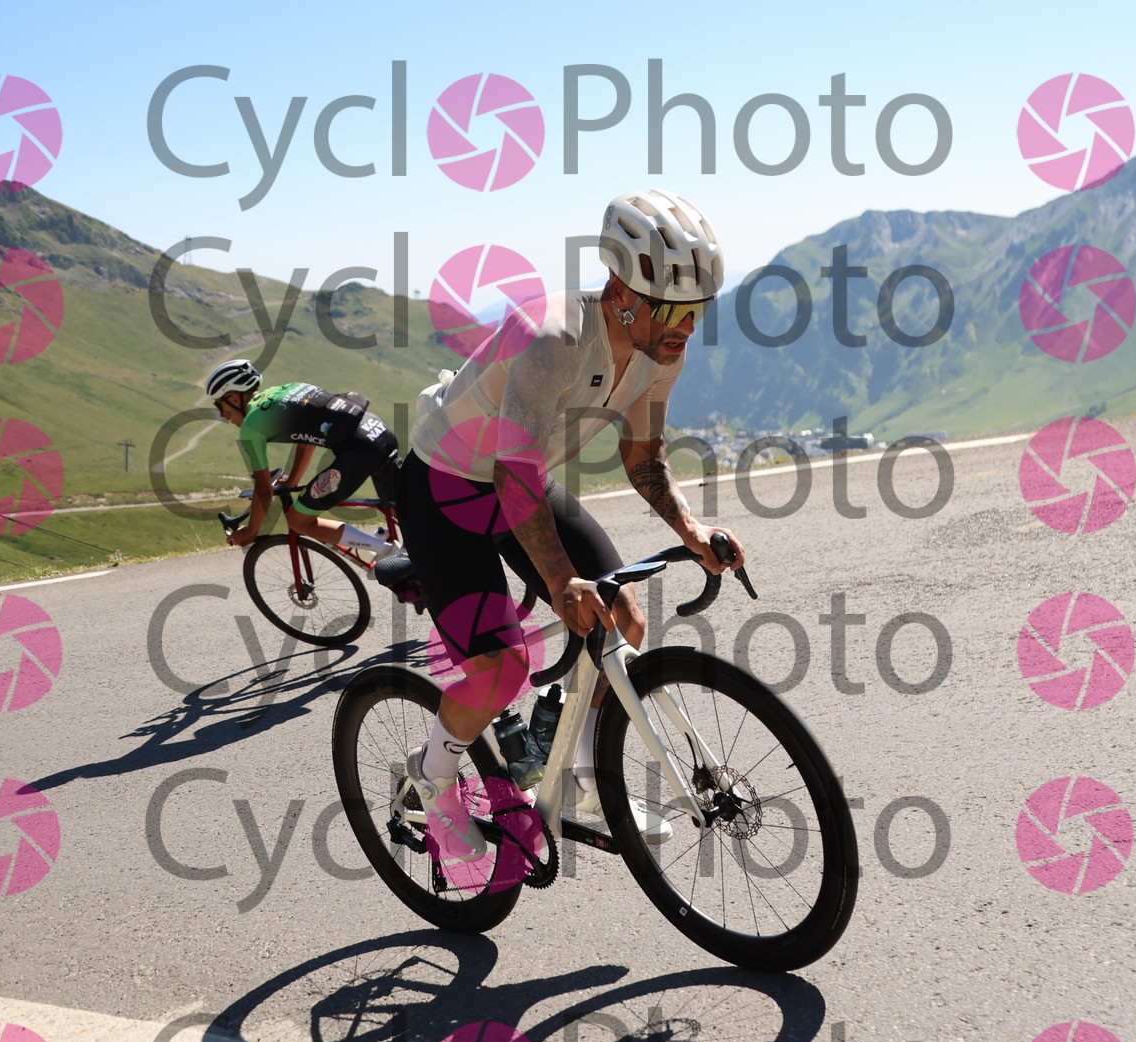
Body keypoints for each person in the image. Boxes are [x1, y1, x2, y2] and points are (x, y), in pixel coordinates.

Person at [397, 188, 746, 859]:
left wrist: (692, 531)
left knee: (624, 616)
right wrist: (560, 581)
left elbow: (642, 455)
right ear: (621, 291)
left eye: (698, 310)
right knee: (501, 669)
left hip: (519, 477)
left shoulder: (661, 349)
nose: (686, 327)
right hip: (447, 483)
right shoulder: (553, 335)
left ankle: (585, 778)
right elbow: (511, 474)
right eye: (672, 309)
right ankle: (431, 781)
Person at [205, 359, 399, 557]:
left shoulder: (251, 426)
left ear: (234, 399)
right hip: (379, 430)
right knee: (399, 510)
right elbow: (307, 441)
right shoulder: (284, 390)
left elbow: (263, 491)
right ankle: (410, 558)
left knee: (298, 520)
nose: (223, 415)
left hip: (359, 451)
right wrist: (292, 481)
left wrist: (249, 532)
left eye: (220, 406)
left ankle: (388, 552)